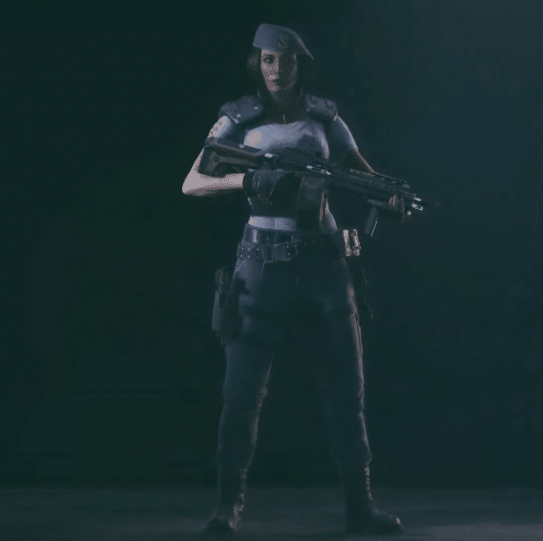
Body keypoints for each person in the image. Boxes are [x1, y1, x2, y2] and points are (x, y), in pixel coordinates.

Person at [182, 23, 405, 536]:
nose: (277, 70)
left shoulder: (326, 118)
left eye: (286, 61)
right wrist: (247, 178)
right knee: (242, 394)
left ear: (301, 66)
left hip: (325, 262)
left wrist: (388, 198)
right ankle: (227, 507)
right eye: (267, 61)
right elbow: (193, 182)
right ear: (257, 65)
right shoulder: (238, 119)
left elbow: (364, 176)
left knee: (347, 389)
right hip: (261, 264)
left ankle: (360, 506)